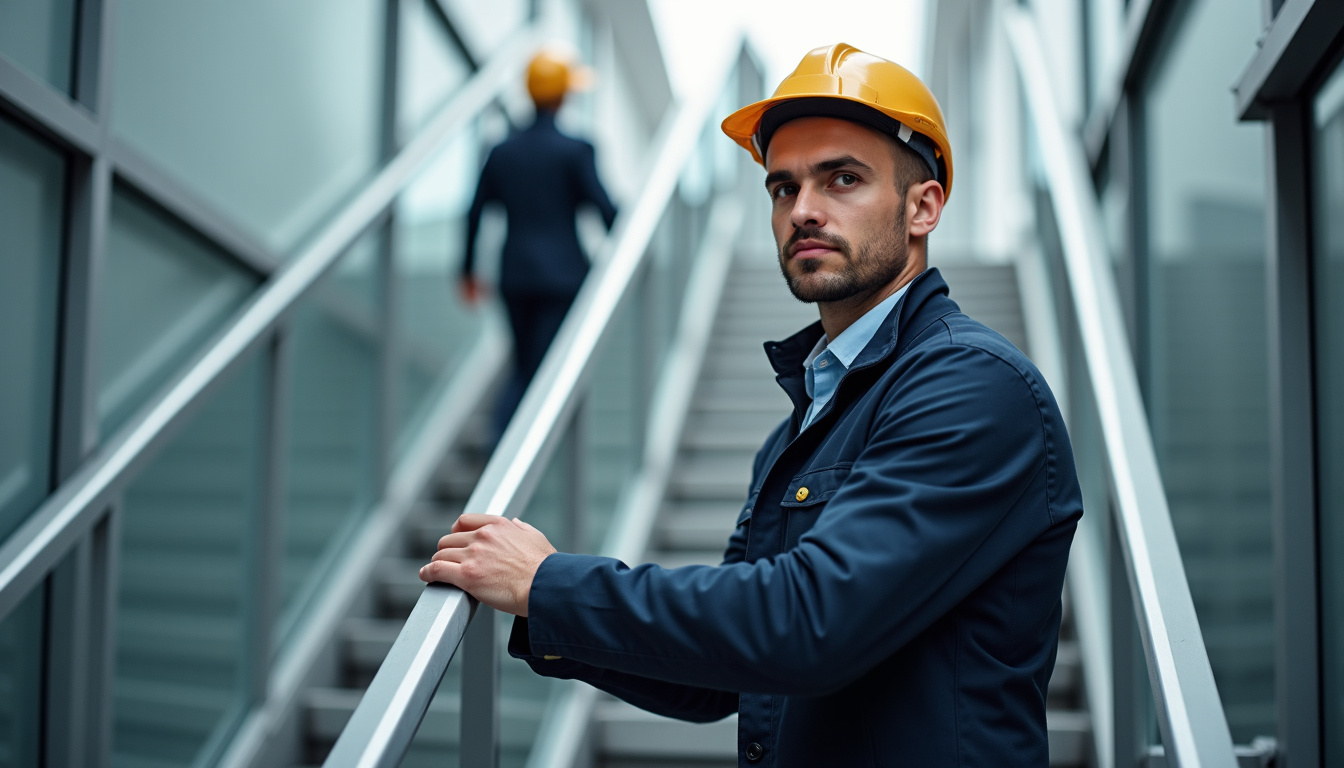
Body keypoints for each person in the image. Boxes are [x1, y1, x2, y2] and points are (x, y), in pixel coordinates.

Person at [424, 43, 1083, 767]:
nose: (803, 210)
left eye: (842, 179)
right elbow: (725, 681)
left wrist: (552, 585)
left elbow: (807, 623)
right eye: (782, 188)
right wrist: (536, 604)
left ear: (923, 207)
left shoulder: (972, 388)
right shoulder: (802, 424)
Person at [460, 47, 618, 441]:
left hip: (514, 275)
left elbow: (474, 211)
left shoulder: (502, 151)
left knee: (525, 363)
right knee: (545, 369)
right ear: (563, 95)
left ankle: (504, 439)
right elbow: (605, 209)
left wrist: (467, 270)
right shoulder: (575, 149)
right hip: (563, 276)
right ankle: (508, 443)